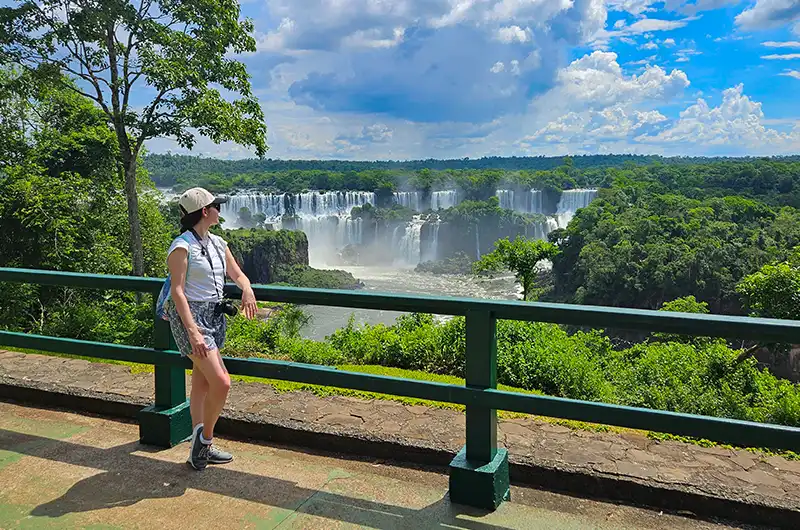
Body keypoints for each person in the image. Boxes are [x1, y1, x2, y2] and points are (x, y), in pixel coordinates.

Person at [163, 187, 257, 470]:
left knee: (202, 383)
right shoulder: (181, 246)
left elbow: (236, 273)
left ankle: (198, 446)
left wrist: (247, 288)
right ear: (205, 211)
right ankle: (204, 440)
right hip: (192, 319)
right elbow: (178, 292)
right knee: (222, 382)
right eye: (216, 206)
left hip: (214, 316)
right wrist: (192, 331)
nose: (220, 210)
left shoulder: (217, 243)